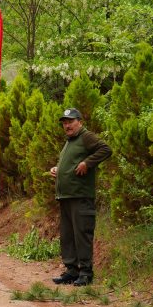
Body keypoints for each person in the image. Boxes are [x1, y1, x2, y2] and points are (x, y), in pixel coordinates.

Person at [49, 108, 112, 287]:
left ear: (80, 122)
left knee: (82, 234)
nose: (67, 125)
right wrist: (57, 169)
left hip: (80, 196)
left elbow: (106, 149)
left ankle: (85, 273)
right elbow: (71, 163)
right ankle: (72, 270)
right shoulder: (70, 141)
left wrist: (87, 163)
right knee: (68, 236)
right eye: (64, 122)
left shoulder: (86, 136)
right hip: (66, 196)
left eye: (70, 121)